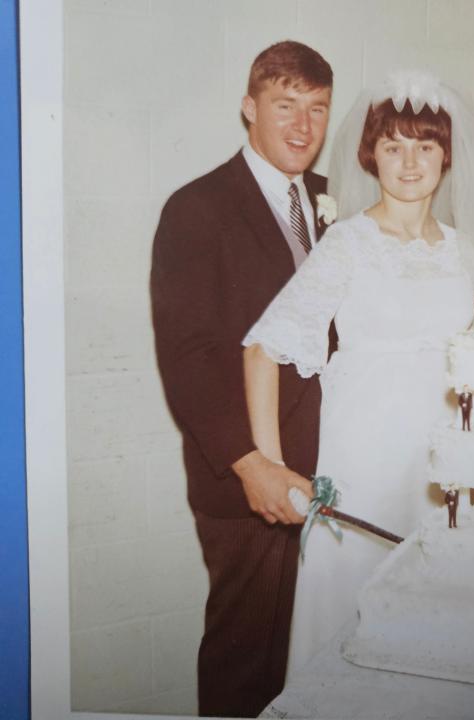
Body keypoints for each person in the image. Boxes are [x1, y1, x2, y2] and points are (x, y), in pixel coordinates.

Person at [242, 71, 474, 675]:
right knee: (354, 611)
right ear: (372, 155)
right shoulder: (347, 242)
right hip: (367, 451)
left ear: (447, 155)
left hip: (445, 456)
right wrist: (269, 464)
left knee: (441, 616)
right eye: (393, 147)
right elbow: (263, 347)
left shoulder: (463, 248)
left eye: (425, 146)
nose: (410, 162)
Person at [150, 41, 333, 717]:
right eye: (285, 105)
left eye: (316, 109)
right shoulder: (197, 208)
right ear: (249, 107)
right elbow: (188, 355)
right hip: (247, 485)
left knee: (312, 663)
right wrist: (251, 465)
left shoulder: (323, 200)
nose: (302, 126)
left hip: (325, 475)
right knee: (246, 664)